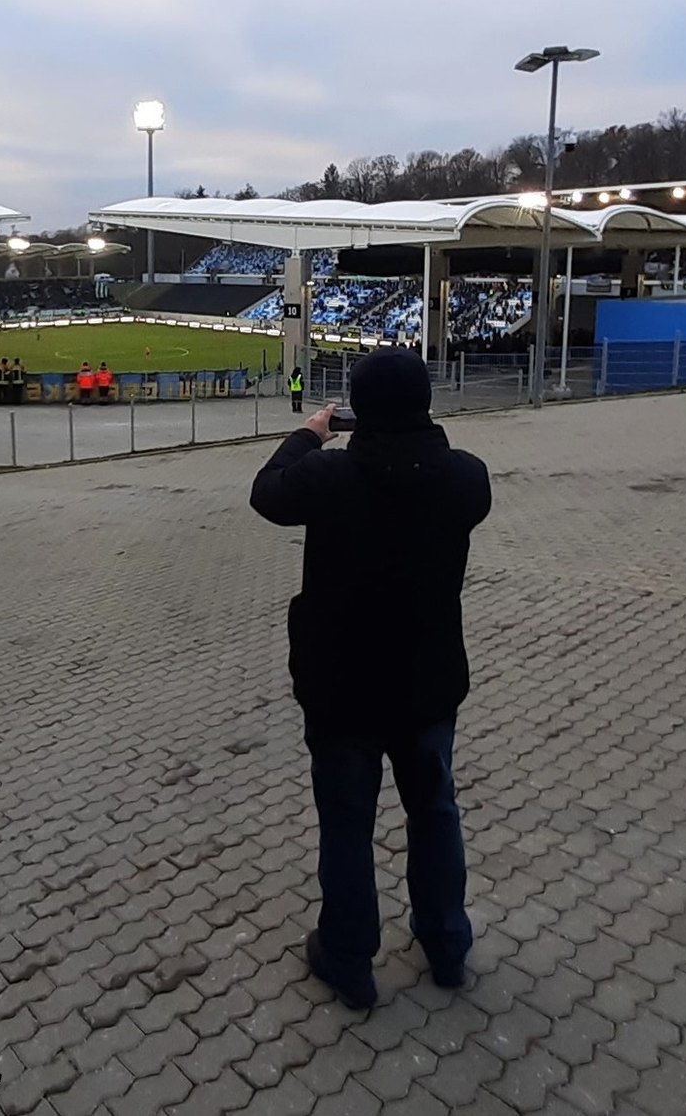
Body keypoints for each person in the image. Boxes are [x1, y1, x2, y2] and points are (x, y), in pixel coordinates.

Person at [249, 349, 492, 1010]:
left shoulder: (326, 478)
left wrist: (309, 432)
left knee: (348, 826)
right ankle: (446, 945)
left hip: (343, 691)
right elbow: (433, 476)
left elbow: (265, 491)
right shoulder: (467, 479)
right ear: (427, 403)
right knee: (435, 813)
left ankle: (351, 960)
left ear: (359, 410)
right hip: (427, 688)